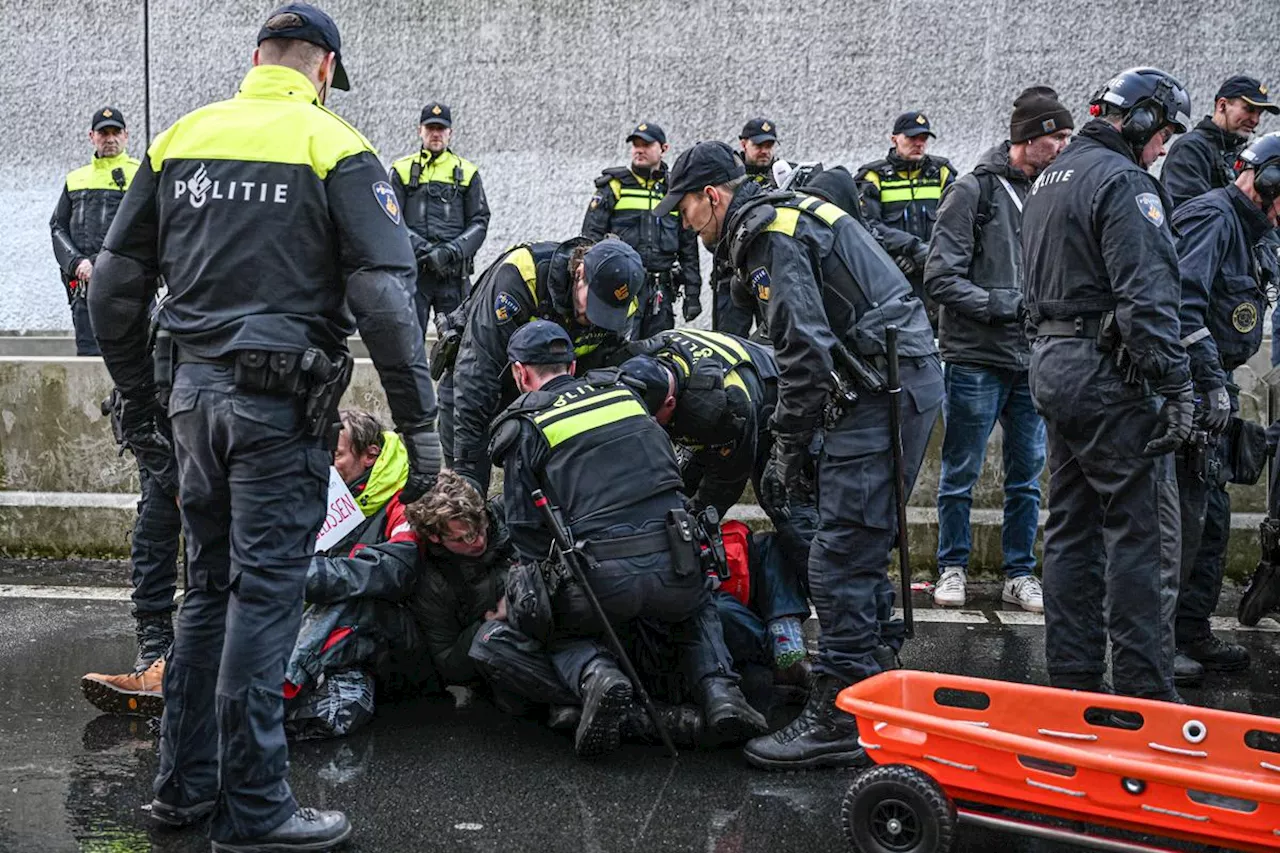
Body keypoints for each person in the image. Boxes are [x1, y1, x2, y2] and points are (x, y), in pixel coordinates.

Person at [86, 5, 442, 850]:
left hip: (191, 405)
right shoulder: (337, 149)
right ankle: (255, 807)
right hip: (276, 413)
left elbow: (111, 288)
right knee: (267, 598)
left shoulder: (179, 137)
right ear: (323, 69)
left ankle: (183, 787)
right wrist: (422, 432)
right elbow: (387, 306)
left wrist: (142, 398)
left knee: (206, 590)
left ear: (257, 59)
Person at [655, 141, 942, 770]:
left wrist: (787, 447)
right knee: (856, 542)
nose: (684, 222)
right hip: (887, 381)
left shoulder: (769, 239)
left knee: (839, 553)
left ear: (714, 197)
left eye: (687, 210)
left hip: (882, 389)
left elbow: (803, 354)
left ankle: (839, 717)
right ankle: (870, 682)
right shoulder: (783, 219)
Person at [485, 319, 767, 758]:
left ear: (521, 373)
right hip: (678, 563)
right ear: (573, 365)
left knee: (543, 618)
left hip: (601, 582)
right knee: (697, 606)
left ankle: (596, 675)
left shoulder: (523, 423)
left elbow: (527, 534)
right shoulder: (627, 396)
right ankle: (720, 693)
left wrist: (524, 595)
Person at [1022, 67, 1194, 702]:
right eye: (1163, 133)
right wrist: (1176, 386)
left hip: (1051, 363)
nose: (1164, 148)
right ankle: (1145, 694)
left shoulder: (1049, 178)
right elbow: (1147, 301)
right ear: (1143, 119)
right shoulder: (1125, 182)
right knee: (1138, 530)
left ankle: (1072, 683)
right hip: (1105, 374)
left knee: (1069, 525)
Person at [924, 87, 1074, 611]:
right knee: (959, 471)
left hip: (1032, 361)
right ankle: (952, 567)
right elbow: (939, 278)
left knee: (1027, 477)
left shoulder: (1053, 191)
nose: (1063, 146)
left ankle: (1018, 573)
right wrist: (1002, 305)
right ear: (1027, 138)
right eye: (1055, 136)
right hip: (974, 359)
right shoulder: (973, 191)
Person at [619, 330, 813, 676]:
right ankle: (777, 640)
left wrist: (688, 529)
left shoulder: (723, 406)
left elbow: (724, 485)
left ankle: (842, 638)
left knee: (789, 520)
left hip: (778, 410)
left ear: (670, 404)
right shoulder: (644, 361)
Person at [1169, 132, 1280, 681]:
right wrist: (1207, 384)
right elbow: (1181, 306)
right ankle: (1158, 640)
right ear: (1270, 180)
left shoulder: (1256, 233)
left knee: (1212, 520)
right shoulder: (1213, 218)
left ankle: (1192, 631)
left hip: (1218, 384)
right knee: (1181, 521)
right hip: (1189, 386)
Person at [449, 237, 641, 494]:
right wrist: (467, 468)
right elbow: (476, 375)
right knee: (468, 494)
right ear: (580, 272)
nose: (595, 318)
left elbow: (608, 370)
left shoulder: (622, 302)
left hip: (552, 402)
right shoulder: (522, 276)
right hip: (483, 387)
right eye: (593, 305)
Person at [283, 409, 425, 741]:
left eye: (336, 455)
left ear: (370, 456)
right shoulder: (319, 491)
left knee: (350, 599)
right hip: (341, 641)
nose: (326, 465)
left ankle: (275, 691)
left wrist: (310, 574)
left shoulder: (405, 496)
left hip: (399, 636)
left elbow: (398, 569)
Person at [79, 386, 183, 715]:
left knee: (212, 540)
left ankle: (190, 656)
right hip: (158, 416)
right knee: (156, 521)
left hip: (222, 413)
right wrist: (176, 483)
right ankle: (156, 645)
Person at [582, 122, 702, 334]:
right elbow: (590, 240)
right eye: (636, 145)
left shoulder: (673, 192)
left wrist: (693, 293)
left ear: (664, 149)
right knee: (619, 350)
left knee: (657, 352)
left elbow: (688, 246)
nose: (639, 150)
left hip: (661, 290)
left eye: (646, 145)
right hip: (622, 288)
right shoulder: (614, 186)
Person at [388, 101, 490, 334]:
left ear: (450, 133)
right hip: (415, 273)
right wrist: (423, 248)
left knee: (458, 342)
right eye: (430, 128)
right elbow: (390, 218)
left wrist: (450, 251)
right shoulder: (401, 169)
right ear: (420, 130)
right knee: (406, 340)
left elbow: (480, 220)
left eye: (441, 129)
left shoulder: (468, 172)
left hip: (453, 276)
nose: (436, 134)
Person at [50, 107, 139, 356]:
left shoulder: (140, 175)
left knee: (133, 360)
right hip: (84, 288)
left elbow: (144, 230)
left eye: (116, 132)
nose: (110, 139)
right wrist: (77, 262)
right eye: (103, 133)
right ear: (92, 136)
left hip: (128, 287)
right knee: (88, 359)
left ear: (126, 135)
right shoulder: (75, 178)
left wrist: (99, 263)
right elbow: (57, 227)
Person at [855, 111, 956, 323]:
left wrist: (930, 252)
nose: (919, 143)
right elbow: (866, 226)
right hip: (893, 273)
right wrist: (904, 251)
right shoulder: (873, 176)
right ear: (894, 139)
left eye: (923, 139)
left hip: (936, 270)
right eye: (912, 138)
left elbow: (955, 222)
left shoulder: (942, 172)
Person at [1161, 75, 1276, 210]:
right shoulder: (1190, 149)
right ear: (1222, 105)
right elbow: (1188, 216)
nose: (1255, 120)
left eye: (1259, 113)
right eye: (1249, 109)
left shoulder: (1244, 153)